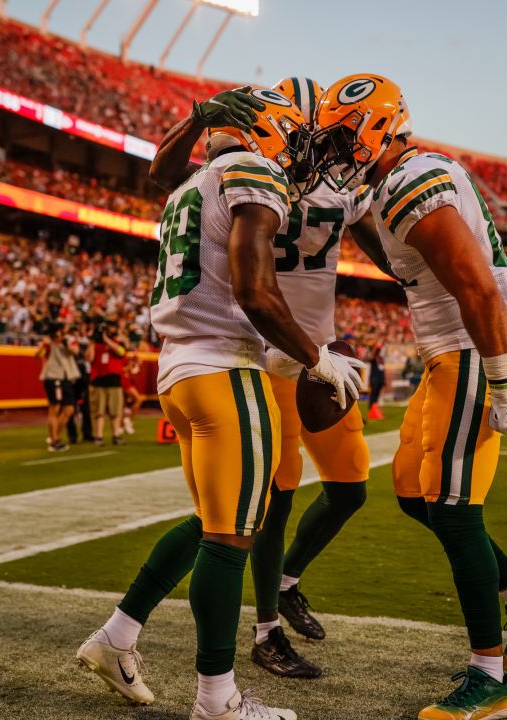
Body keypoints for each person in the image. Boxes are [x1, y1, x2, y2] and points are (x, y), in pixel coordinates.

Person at [75, 87, 362, 720]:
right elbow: (257, 292)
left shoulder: (193, 183)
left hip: (178, 371)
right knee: (233, 537)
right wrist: (318, 357)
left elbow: (160, 169)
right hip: (226, 367)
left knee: (213, 524)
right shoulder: (255, 171)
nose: (299, 151)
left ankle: (116, 637)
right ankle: (217, 699)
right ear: (269, 134)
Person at [311, 74, 507, 720]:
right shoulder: (394, 185)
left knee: (453, 509)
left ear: (374, 128)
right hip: (448, 354)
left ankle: (490, 679)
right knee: (411, 491)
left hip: (475, 352)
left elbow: (477, 290)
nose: (334, 153)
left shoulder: (416, 183)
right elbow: (406, 265)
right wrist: (352, 220)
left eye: (340, 139)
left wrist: (504, 381)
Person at [144, 77, 394, 679]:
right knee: (262, 507)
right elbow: (166, 178)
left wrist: (415, 282)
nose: (322, 148)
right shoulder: (254, 172)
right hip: (262, 349)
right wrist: (201, 120)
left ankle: (284, 583)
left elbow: (378, 245)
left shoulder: (337, 188)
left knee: (349, 488)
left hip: (314, 352)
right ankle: (264, 633)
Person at [36, 325, 80, 452]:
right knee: (54, 408)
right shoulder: (48, 342)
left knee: (69, 408)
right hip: (54, 376)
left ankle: (55, 436)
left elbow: (76, 351)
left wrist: (64, 342)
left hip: (66, 377)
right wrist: (45, 345)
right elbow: (38, 355)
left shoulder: (68, 340)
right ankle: (54, 440)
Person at [87, 324, 127, 446]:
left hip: (114, 381)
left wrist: (106, 340)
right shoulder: (95, 345)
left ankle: (116, 435)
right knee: (98, 411)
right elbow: (89, 358)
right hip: (98, 381)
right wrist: (92, 342)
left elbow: (121, 352)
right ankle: (98, 436)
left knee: (115, 411)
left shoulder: (117, 342)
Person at [120, 347, 143, 436]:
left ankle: (123, 424)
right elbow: (122, 370)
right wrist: (132, 364)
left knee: (124, 404)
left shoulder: (129, 357)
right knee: (138, 399)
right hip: (123, 381)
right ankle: (127, 422)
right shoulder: (122, 356)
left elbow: (134, 371)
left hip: (128, 381)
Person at [366, 343, 386, 421]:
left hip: (380, 379)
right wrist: (377, 348)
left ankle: (375, 409)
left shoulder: (381, 359)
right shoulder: (374, 358)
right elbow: (371, 356)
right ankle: (371, 409)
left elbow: (382, 369)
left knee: (377, 395)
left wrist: (383, 380)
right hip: (375, 379)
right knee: (373, 395)